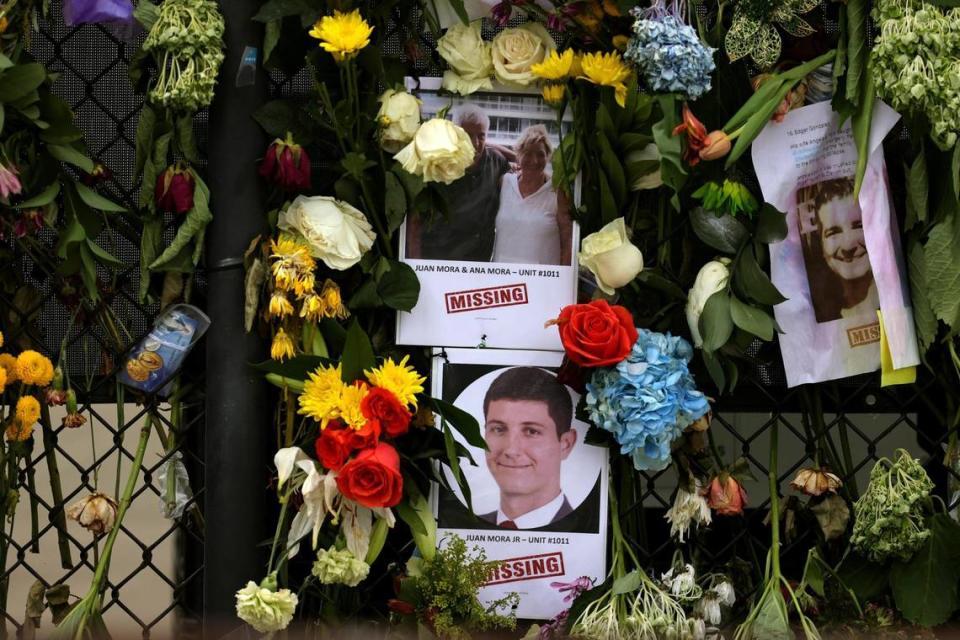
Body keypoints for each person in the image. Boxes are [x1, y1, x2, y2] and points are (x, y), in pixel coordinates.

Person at [405, 104, 512, 261]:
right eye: (468, 135)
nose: (475, 143)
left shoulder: (498, 162)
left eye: (481, 136)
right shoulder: (436, 162)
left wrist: (517, 158)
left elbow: (524, 180)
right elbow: (415, 221)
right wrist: (415, 263)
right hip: (437, 259)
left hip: (478, 262)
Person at [478, 367, 577, 529]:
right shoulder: (464, 527)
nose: (511, 450)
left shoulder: (584, 531)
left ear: (565, 444)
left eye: (532, 431)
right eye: (498, 429)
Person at [492, 125, 573, 266]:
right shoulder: (504, 182)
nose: (534, 161)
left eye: (540, 154)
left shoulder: (557, 192)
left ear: (548, 156)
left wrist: (563, 281)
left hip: (541, 282)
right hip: (504, 282)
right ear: (518, 155)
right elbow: (486, 149)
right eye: (527, 154)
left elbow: (568, 243)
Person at [802, 177, 879, 322]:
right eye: (833, 233)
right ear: (822, 244)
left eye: (858, 226)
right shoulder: (816, 312)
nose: (848, 246)